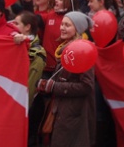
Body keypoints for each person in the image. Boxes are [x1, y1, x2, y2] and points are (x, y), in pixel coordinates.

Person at [36, 11, 96, 146]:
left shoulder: (83, 51)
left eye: (67, 25)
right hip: (62, 111)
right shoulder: (64, 49)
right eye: (62, 24)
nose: (62, 28)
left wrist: (54, 87)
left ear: (78, 29)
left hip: (75, 115)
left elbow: (87, 86)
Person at [12, 11, 46, 108]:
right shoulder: (12, 43)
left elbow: (30, 86)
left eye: (17, 24)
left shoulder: (37, 53)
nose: (13, 26)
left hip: (20, 105)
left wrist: (21, 107)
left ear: (27, 27)